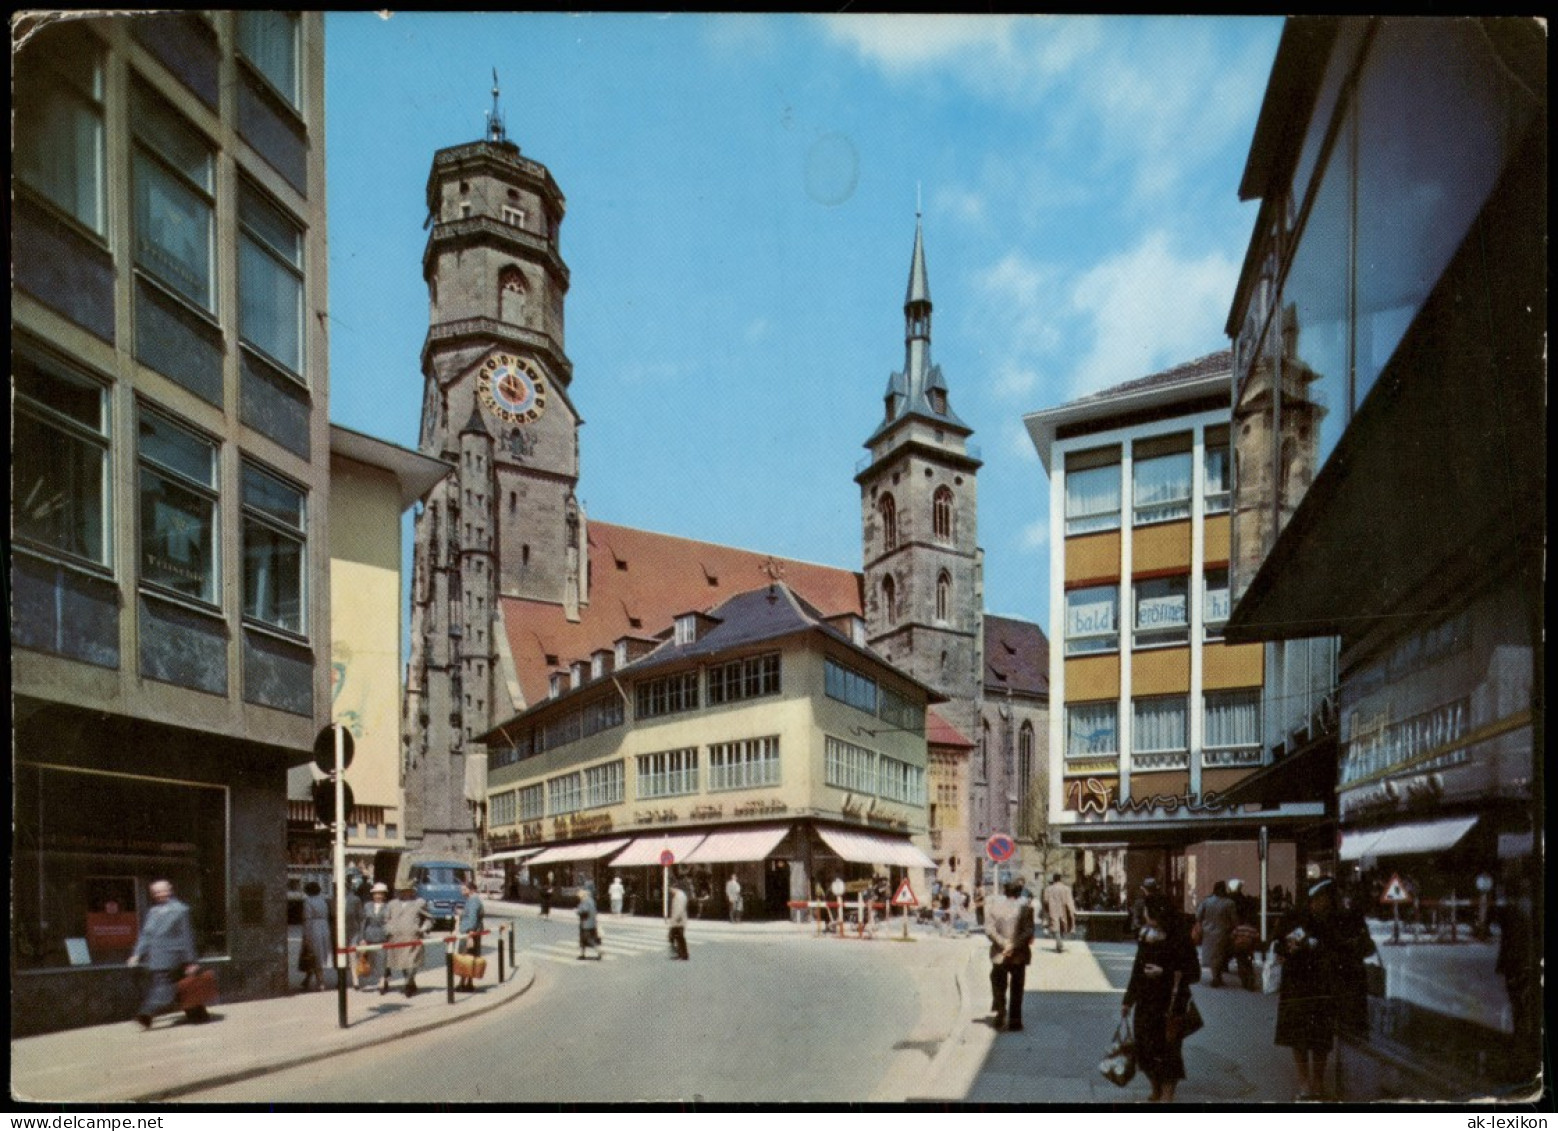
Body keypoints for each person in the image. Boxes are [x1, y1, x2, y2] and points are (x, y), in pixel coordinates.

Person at [1273, 877, 1367, 1101]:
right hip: (1297, 984)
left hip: (1323, 985)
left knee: (1321, 1038)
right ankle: (1305, 1083)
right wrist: (1288, 948)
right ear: (1311, 899)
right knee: (1298, 1037)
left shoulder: (1334, 922)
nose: (1324, 902)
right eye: (1320, 898)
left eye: (1327, 898)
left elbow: (1346, 949)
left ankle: (1317, 1083)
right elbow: (1279, 946)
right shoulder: (1294, 918)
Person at [1121, 891, 1200, 1103]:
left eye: (1148, 912)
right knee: (1145, 1048)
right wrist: (1128, 1000)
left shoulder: (1180, 938)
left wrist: (1163, 972)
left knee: (1168, 1050)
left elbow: (1194, 973)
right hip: (1146, 1001)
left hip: (1171, 1003)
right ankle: (1155, 1087)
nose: (1145, 915)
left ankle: (1166, 1094)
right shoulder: (1146, 936)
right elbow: (1137, 969)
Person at [127, 880, 204, 1028]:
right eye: (155, 892)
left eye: (162, 891)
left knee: (164, 987)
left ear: (170, 890)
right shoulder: (152, 912)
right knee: (183, 986)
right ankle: (198, 1014)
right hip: (156, 958)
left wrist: (191, 961)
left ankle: (146, 1014)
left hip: (174, 957)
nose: (159, 895)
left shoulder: (181, 910)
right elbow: (146, 935)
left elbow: (187, 936)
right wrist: (137, 954)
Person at [985, 879, 1035, 1031]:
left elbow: (989, 930)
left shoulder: (994, 908)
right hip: (1018, 954)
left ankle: (1001, 1012)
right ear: (1019, 893)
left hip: (999, 954)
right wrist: (1013, 945)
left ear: (1004, 892)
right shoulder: (1026, 908)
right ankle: (1015, 1021)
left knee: (998, 984)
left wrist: (1003, 944)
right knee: (1017, 987)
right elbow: (1028, 931)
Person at [382, 881, 430, 996]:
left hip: (412, 937)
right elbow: (386, 920)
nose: (405, 893)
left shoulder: (419, 903)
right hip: (396, 939)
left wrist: (423, 928)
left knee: (411, 962)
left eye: (408, 890)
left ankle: (408, 982)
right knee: (403, 963)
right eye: (402, 891)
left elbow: (429, 918)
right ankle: (410, 982)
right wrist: (389, 929)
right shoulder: (392, 904)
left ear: (412, 891)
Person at [1196, 881, 1238, 987]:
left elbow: (1198, 916)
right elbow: (1234, 920)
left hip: (1208, 932)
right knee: (1219, 955)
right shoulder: (1229, 903)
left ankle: (1216, 976)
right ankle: (1216, 977)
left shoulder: (1206, 901)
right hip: (1222, 932)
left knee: (1211, 955)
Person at [355, 882, 391, 990]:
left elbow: (390, 923)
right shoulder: (367, 906)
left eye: (380, 894)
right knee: (373, 960)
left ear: (384, 895)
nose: (378, 896)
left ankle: (382, 981)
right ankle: (382, 978)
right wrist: (361, 938)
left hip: (382, 936)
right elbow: (363, 923)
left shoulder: (388, 907)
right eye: (376, 893)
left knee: (382, 959)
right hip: (369, 935)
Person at [1226, 878, 1260, 990]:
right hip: (1247, 936)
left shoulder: (1229, 900)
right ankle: (1248, 978)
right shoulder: (1244, 900)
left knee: (1240, 959)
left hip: (1237, 933)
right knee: (1245, 960)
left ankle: (1245, 979)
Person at [299, 881, 333, 992]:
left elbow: (307, 919)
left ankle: (321, 981)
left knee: (313, 955)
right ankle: (307, 979)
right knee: (317, 955)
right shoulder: (323, 900)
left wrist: (306, 936)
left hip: (314, 929)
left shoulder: (308, 902)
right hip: (324, 927)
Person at [455, 878, 484, 991]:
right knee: (471, 957)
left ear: (471, 890)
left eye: (464, 889)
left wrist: (470, 935)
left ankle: (463, 983)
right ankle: (469, 983)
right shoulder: (472, 900)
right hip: (471, 933)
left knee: (465, 958)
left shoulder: (473, 901)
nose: (462, 891)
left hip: (469, 934)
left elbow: (472, 919)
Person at [1044, 873, 1078, 953]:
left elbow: (1045, 900)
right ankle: (1060, 942)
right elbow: (1070, 901)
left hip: (1053, 908)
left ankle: (1058, 942)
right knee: (1063, 925)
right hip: (1064, 908)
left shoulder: (1048, 889)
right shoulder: (1066, 888)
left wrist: (1046, 910)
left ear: (1054, 879)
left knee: (1055, 926)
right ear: (1060, 879)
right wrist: (1072, 911)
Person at [576, 884, 602, 960]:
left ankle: (598, 951)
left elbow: (584, 910)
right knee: (584, 940)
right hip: (591, 923)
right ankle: (582, 954)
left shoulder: (586, 901)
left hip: (586, 923)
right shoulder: (591, 900)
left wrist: (577, 911)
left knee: (587, 939)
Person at [667, 879, 690, 960]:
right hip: (678, 920)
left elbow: (679, 909)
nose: (670, 891)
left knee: (678, 938)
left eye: (671, 889)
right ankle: (681, 954)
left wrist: (674, 920)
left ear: (674, 888)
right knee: (678, 938)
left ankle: (683, 955)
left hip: (678, 921)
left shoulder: (679, 896)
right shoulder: (679, 895)